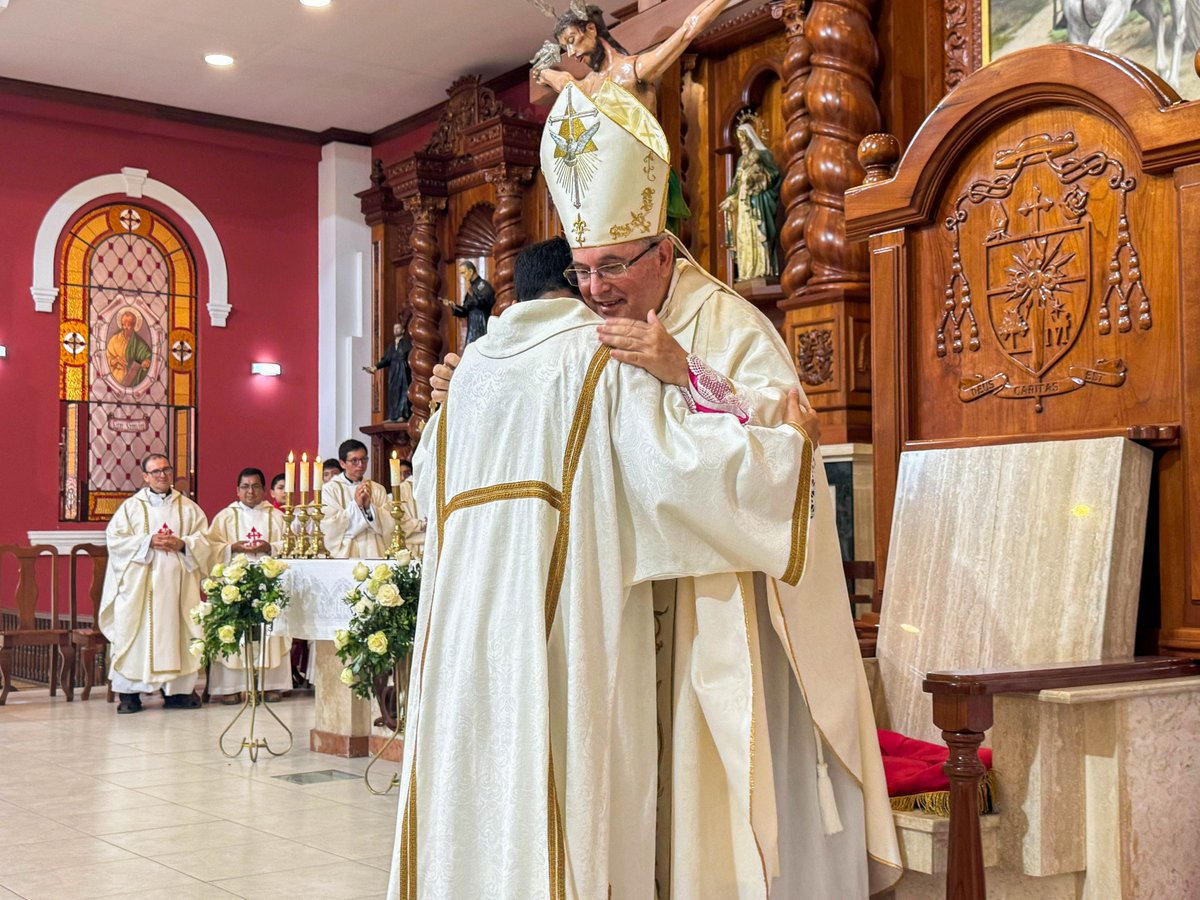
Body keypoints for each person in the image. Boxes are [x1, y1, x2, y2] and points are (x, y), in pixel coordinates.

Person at [429, 83, 902, 898]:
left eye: (614, 266)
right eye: (582, 271)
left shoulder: (728, 323)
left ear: (663, 252)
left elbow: (786, 443)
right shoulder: (578, 340)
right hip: (611, 607)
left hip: (709, 615)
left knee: (698, 830)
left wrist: (685, 372)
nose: (598, 289)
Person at [387, 254, 820, 898]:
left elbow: (425, 487)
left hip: (463, 643)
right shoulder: (604, 362)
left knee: (467, 798)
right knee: (567, 786)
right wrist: (788, 451)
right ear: (574, 286)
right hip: (567, 633)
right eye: (590, 275)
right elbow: (681, 473)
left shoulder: (464, 379)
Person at [98, 453, 210, 714]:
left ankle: (178, 692)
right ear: (145, 477)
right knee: (133, 632)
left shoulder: (189, 508)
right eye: (156, 471)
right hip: (140, 587)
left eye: (166, 470)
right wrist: (147, 541)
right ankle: (129, 694)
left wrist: (183, 544)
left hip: (178, 588)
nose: (162, 475)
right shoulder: (130, 508)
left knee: (179, 632)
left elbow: (206, 541)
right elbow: (114, 540)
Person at [204, 468, 292, 703]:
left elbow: (291, 546)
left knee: (271, 632)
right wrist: (233, 548)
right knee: (234, 631)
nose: (250, 491)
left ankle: (270, 684)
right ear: (237, 490)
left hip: (268, 583)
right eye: (245, 486)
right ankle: (230, 687)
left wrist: (269, 547)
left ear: (264, 490)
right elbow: (210, 546)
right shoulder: (225, 516)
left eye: (255, 486)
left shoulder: (277, 516)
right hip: (236, 583)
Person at [720, 121, 782, 280]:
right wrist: (730, 201)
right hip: (743, 207)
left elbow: (774, 176)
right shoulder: (741, 161)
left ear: (750, 139)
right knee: (743, 236)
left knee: (757, 234)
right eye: (740, 142)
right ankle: (747, 271)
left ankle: (762, 269)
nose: (742, 145)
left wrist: (758, 181)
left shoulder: (763, 155)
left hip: (757, 204)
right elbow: (736, 186)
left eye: (744, 141)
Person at [321, 439, 394, 558]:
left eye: (364, 459)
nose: (361, 464)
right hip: (348, 551)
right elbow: (330, 526)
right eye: (354, 460)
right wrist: (356, 505)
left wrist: (369, 509)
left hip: (375, 548)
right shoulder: (329, 490)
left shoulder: (377, 489)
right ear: (342, 463)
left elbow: (389, 522)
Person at [366, 313, 413, 422]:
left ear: (403, 330)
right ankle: (393, 416)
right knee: (393, 393)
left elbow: (411, 356)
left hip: (403, 371)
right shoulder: (391, 346)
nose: (395, 330)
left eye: (398, 328)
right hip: (393, 372)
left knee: (403, 391)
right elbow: (386, 360)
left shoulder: (406, 343)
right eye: (394, 328)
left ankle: (403, 414)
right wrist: (375, 367)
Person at [441, 261, 494, 346]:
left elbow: (485, 303)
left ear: (471, 271)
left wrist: (472, 293)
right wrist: (453, 306)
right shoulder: (471, 288)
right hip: (472, 329)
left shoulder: (483, 285)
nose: (462, 276)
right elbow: (465, 310)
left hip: (482, 326)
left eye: (463, 273)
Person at [106, 308, 152, 388]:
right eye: (123, 324)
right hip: (114, 380)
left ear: (134, 325)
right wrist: (115, 360)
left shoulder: (139, 343)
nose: (125, 327)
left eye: (129, 325)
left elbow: (148, 356)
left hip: (132, 380)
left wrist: (147, 362)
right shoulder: (114, 340)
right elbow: (107, 358)